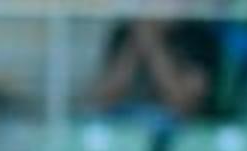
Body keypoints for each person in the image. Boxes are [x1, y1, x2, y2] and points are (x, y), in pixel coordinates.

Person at [88, 17, 225, 126]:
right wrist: (136, 38)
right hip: (125, 137)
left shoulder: (200, 37)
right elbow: (101, 101)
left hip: (180, 142)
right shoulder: (124, 33)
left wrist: (152, 41)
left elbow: (184, 105)